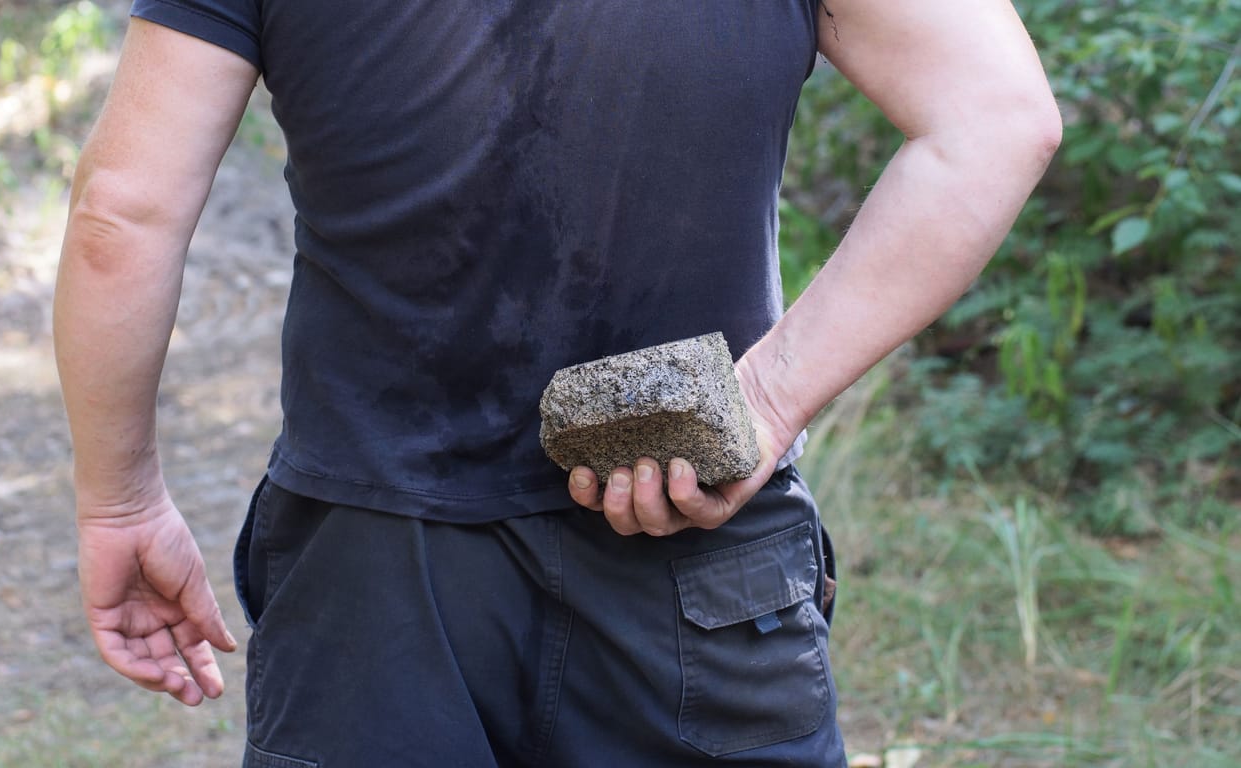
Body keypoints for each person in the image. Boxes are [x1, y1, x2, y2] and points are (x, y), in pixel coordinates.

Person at [54, 0, 1060, 765]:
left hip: (369, 567)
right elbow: (996, 120)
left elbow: (122, 213)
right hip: (696, 550)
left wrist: (122, 499)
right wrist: (764, 399)